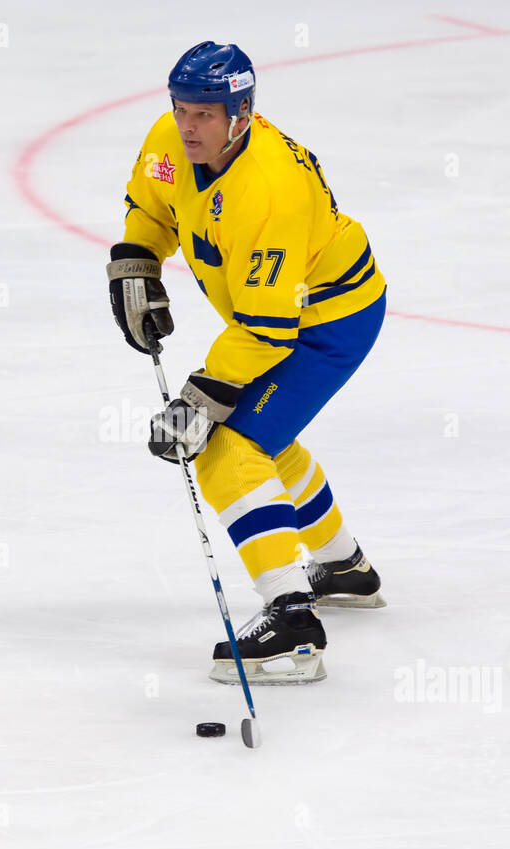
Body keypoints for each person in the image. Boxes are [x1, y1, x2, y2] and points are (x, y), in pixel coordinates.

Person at [107, 41, 387, 685]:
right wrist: (136, 261)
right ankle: (343, 568)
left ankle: (293, 626)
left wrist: (197, 401)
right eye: (180, 108)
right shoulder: (171, 139)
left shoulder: (270, 190)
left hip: (326, 322)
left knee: (227, 447)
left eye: (204, 113)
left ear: (241, 112)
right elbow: (151, 206)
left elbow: (266, 330)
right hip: (273, 320)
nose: (187, 124)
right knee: (263, 437)